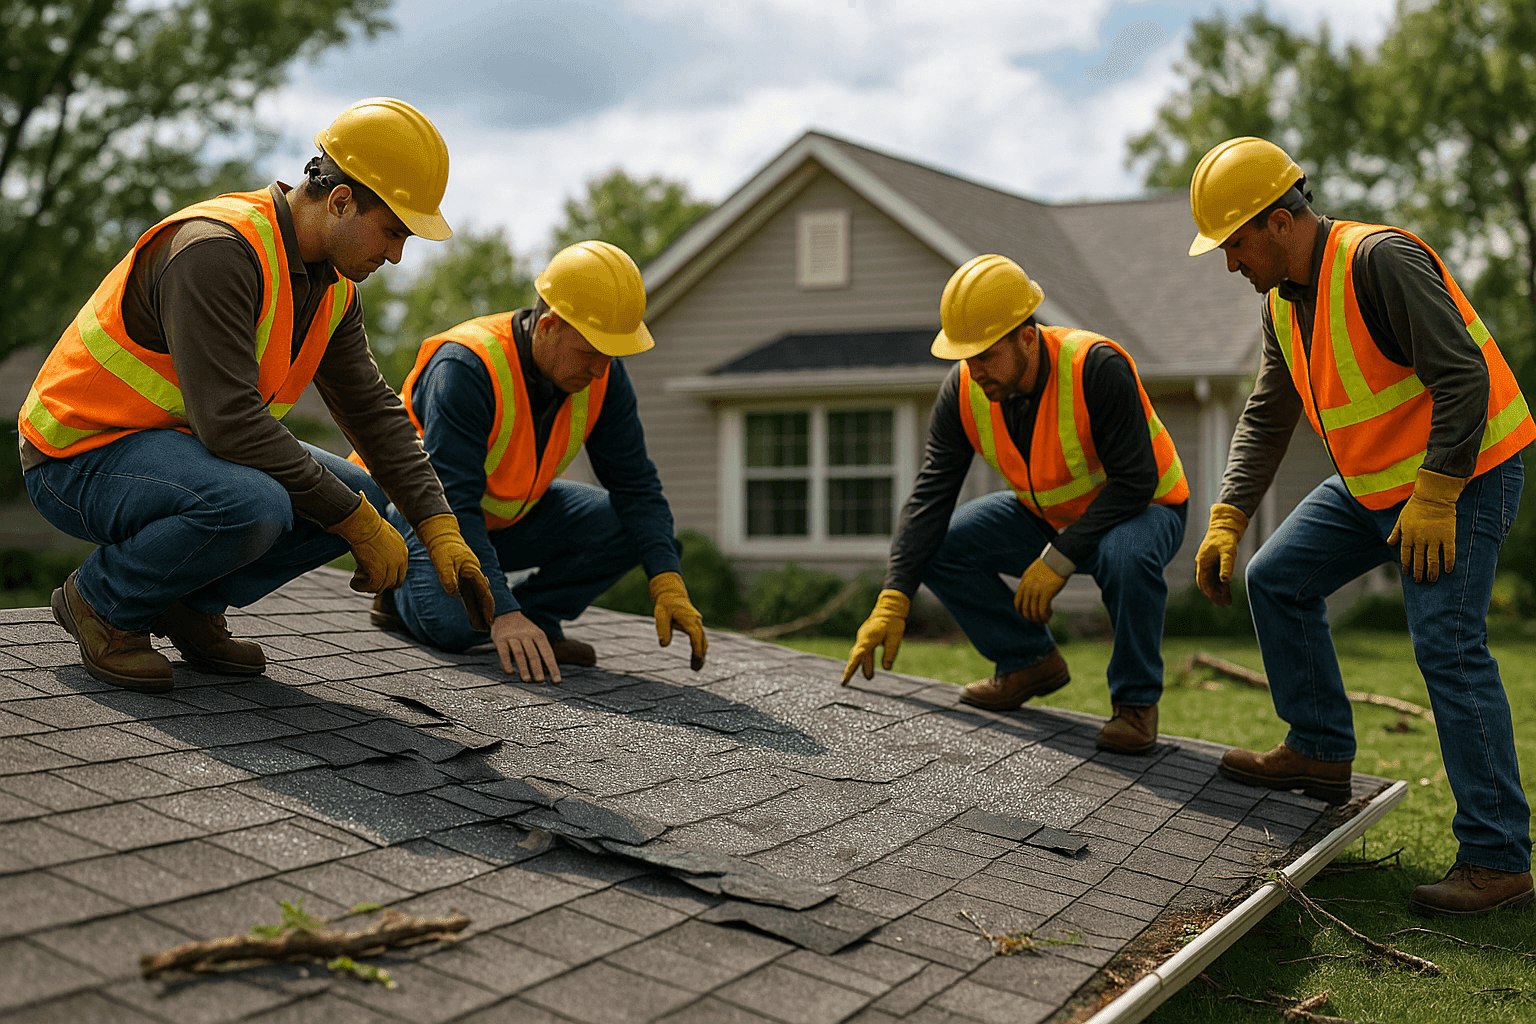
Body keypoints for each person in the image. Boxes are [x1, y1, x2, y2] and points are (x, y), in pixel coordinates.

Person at [19, 97, 493, 695]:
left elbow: (373, 412)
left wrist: (439, 525)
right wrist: (355, 523)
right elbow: (230, 424)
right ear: (341, 200)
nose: (396, 254)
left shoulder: (335, 289)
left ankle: (186, 607)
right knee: (260, 502)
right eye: (393, 231)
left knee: (360, 489)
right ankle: (102, 602)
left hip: (171, 452)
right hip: (76, 457)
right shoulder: (216, 250)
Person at [1188, 136, 1535, 915]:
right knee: (1276, 579)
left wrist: (1439, 491)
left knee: (1447, 644)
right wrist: (1228, 515)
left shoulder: (1379, 261)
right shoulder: (1284, 303)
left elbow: (1464, 376)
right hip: (1377, 488)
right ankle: (1316, 751)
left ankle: (1499, 858)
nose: (1230, 263)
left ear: (1280, 222)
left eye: (1235, 243)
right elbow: (1268, 412)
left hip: (1465, 474)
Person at [842, 254, 1189, 754]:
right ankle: (1027, 661)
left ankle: (1135, 706)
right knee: (938, 544)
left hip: (1145, 508)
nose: (975, 369)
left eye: (985, 354)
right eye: (966, 357)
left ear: (1027, 336)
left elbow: (1135, 481)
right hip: (1047, 514)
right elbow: (930, 496)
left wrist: (1058, 558)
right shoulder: (963, 391)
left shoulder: (1096, 367)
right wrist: (895, 594)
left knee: (1125, 555)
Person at [365, 240, 708, 684]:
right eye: (590, 353)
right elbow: (453, 500)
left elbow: (637, 487)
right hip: (426, 517)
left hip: (500, 520)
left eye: (610, 355)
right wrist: (502, 612)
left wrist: (667, 580)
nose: (601, 370)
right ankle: (397, 592)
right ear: (547, 326)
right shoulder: (466, 366)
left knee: (632, 526)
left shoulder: (601, 375)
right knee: (455, 628)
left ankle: (539, 620)